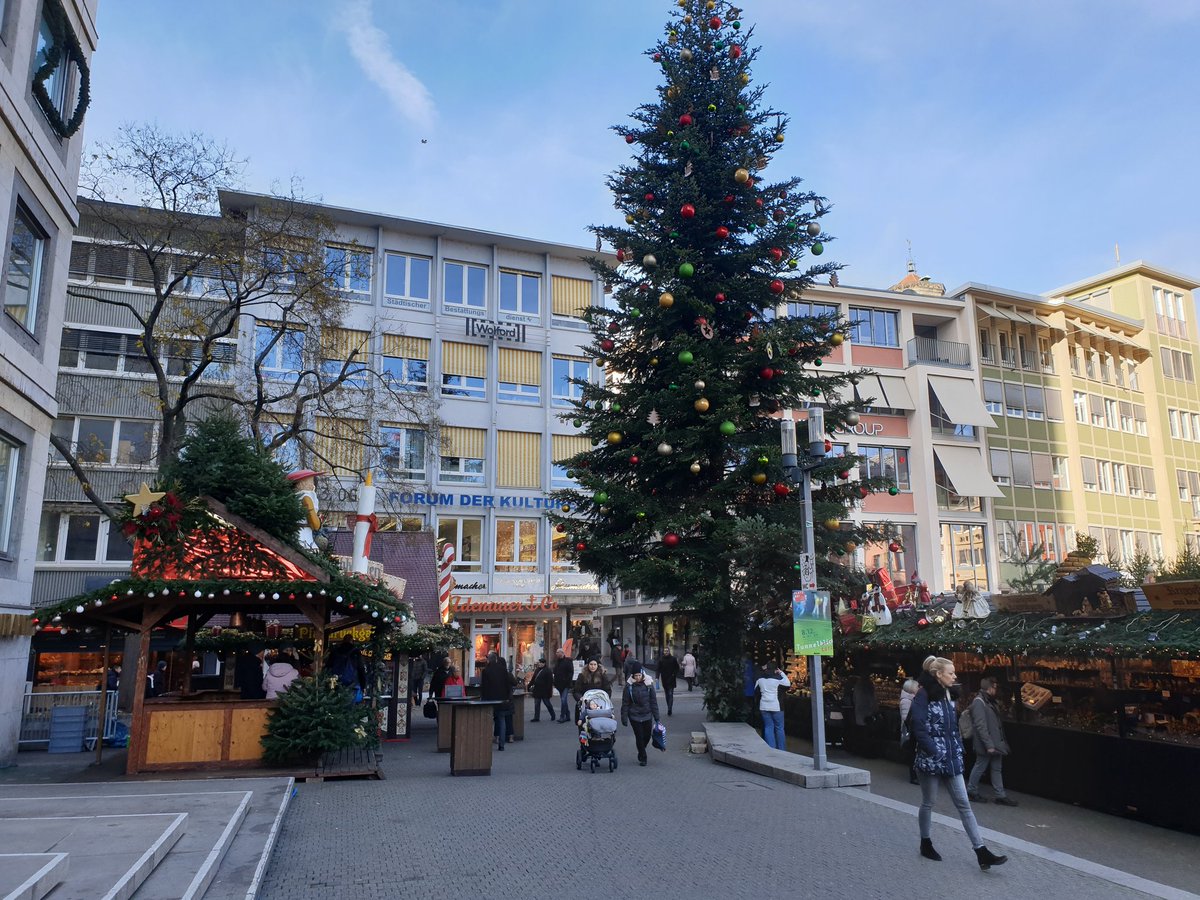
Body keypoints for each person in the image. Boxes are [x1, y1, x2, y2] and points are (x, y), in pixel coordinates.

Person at [911, 656, 1008, 871]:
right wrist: (934, 750)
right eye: (951, 673)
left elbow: (952, 727)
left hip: (952, 757)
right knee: (929, 802)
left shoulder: (949, 695)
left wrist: (957, 747)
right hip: (931, 759)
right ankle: (925, 842)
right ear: (938, 674)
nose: (955, 676)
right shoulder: (923, 694)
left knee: (964, 804)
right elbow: (917, 725)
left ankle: (981, 851)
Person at [967, 677, 1017, 806]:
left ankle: (1000, 795)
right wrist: (989, 745)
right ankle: (971, 791)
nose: (996, 689)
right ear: (989, 688)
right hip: (988, 743)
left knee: (996, 768)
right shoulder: (979, 702)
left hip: (995, 742)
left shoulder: (988, 701)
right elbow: (980, 725)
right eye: (994, 687)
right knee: (980, 766)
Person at [621, 664, 661, 766]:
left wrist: (657, 717)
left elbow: (653, 702)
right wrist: (624, 717)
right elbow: (625, 703)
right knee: (639, 736)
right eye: (635, 676)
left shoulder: (649, 685)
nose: (637, 677)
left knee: (647, 736)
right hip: (634, 715)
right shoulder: (628, 686)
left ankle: (641, 750)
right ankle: (643, 757)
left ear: (642, 674)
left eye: (639, 675)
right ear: (633, 676)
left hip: (647, 714)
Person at [480, 652, 516, 750]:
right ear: (496, 659)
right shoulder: (503, 670)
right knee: (502, 720)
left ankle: (486, 742)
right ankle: (502, 744)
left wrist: (483, 699)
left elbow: (484, 687)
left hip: (489, 699)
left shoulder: (486, 671)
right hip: (502, 699)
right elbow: (507, 685)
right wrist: (507, 697)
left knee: (487, 720)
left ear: (489, 660)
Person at [755, 662, 791, 750]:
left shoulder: (759, 679)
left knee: (768, 727)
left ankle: (771, 749)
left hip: (764, 706)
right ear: (776, 670)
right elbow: (788, 685)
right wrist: (781, 673)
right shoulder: (778, 680)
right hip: (777, 707)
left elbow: (756, 692)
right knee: (779, 728)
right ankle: (781, 750)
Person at [899, 678, 920, 784]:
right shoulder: (907, 701)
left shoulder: (911, 700)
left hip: (911, 730)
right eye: (917, 687)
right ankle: (913, 776)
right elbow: (906, 718)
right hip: (911, 731)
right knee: (913, 753)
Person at [552, 649, 575, 723]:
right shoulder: (557, 662)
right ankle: (567, 715)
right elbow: (555, 672)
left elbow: (571, 672)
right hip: (559, 684)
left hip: (566, 684)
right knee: (563, 700)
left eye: (557, 652)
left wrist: (567, 681)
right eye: (556, 652)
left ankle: (562, 716)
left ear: (562, 653)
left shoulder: (568, 661)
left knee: (563, 700)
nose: (556, 653)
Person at [657, 649, 680, 716]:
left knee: (670, 694)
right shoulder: (661, 660)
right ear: (663, 652)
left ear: (669, 652)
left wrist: (674, 674)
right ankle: (669, 707)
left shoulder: (673, 659)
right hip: (664, 679)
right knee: (667, 694)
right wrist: (656, 678)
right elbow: (658, 669)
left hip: (671, 679)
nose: (666, 652)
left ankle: (670, 708)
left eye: (667, 651)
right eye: (665, 651)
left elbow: (677, 668)